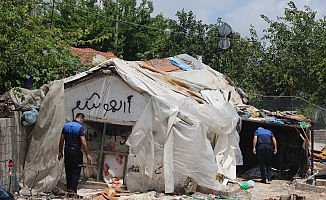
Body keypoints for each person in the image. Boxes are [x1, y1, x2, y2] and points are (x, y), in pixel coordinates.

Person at [58, 113, 92, 193]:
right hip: (75, 151)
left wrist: (60, 151)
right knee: (76, 170)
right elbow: (83, 142)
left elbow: (61, 139)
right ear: (82, 119)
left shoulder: (66, 125)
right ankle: (72, 190)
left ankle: (68, 187)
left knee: (68, 169)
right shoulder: (80, 127)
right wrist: (87, 154)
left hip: (67, 150)